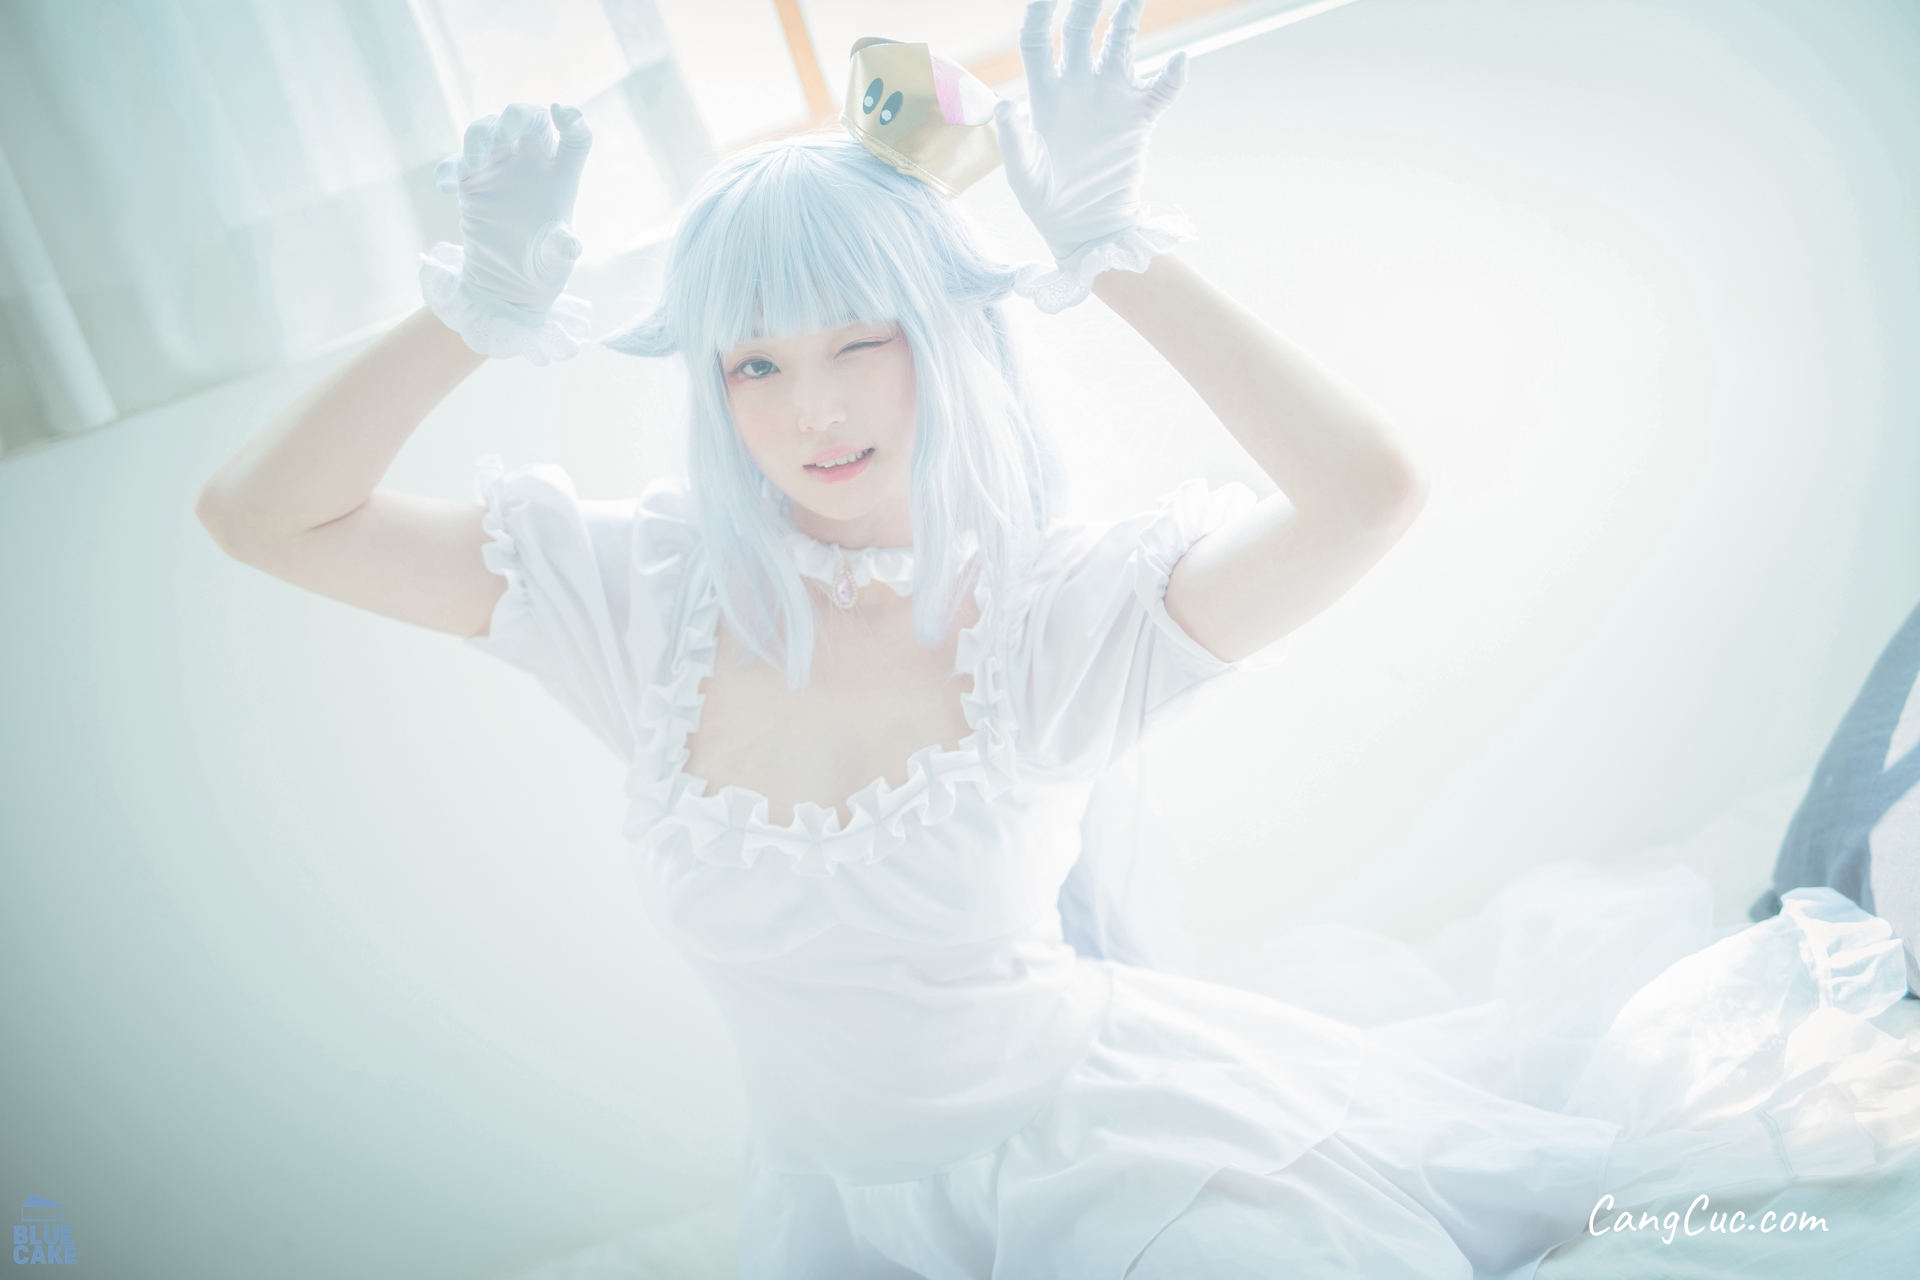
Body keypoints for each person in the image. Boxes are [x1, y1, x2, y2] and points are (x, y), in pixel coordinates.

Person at [195, 2, 1919, 1275]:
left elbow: (1366, 496)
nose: (812, 409)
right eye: (755, 363)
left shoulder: (1048, 613)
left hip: (1129, 1167)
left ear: (944, 338)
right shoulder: (634, 598)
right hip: (835, 1217)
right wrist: (470, 310)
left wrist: (1108, 244)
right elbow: (262, 518)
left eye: (860, 340)